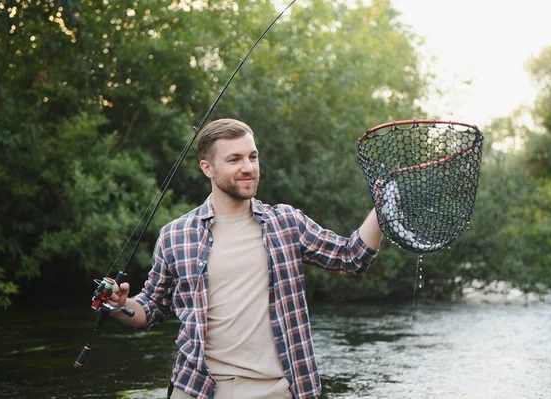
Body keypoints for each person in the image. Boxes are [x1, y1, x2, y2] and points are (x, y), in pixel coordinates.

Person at [108, 118, 383, 399]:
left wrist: (381, 206)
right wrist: (119, 306)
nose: (248, 168)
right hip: (196, 389)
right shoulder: (175, 235)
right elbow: (151, 309)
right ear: (208, 168)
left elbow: (352, 257)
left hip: (277, 389)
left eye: (252, 156)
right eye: (234, 159)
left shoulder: (286, 223)